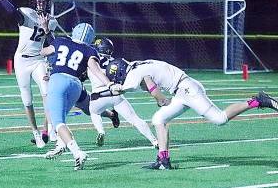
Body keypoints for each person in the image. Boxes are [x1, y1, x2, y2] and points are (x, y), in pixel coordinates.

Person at [104, 58, 278, 170]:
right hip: (181, 90)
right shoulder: (135, 65)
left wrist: (160, 99)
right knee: (158, 118)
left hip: (187, 90)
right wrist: (160, 98)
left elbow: (147, 85)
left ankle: (258, 101)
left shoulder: (135, 72)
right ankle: (163, 160)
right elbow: (147, 80)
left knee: (220, 119)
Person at [0, 0, 57, 148]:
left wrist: (47, 28)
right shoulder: (26, 13)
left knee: (48, 94)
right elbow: (12, 12)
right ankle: (36, 132)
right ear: (33, 3)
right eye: (38, 1)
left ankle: (49, 130)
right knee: (27, 100)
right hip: (21, 61)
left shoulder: (52, 21)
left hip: (39, 60)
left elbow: (54, 44)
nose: (41, 4)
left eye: (43, 2)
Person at [40, 23, 113, 170]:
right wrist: (110, 84)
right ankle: (61, 145)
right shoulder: (90, 49)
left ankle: (77, 152)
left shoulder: (61, 41)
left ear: (74, 32)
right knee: (60, 119)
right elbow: (96, 71)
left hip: (58, 80)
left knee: (58, 121)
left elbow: (44, 52)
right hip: (76, 85)